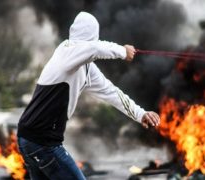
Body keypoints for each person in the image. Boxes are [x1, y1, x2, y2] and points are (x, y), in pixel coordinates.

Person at [17, 11, 160, 180]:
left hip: (29, 138)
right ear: (94, 37)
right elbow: (94, 48)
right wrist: (122, 50)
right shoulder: (67, 51)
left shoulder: (86, 68)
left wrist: (140, 114)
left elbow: (111, 92)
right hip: (43, 143)